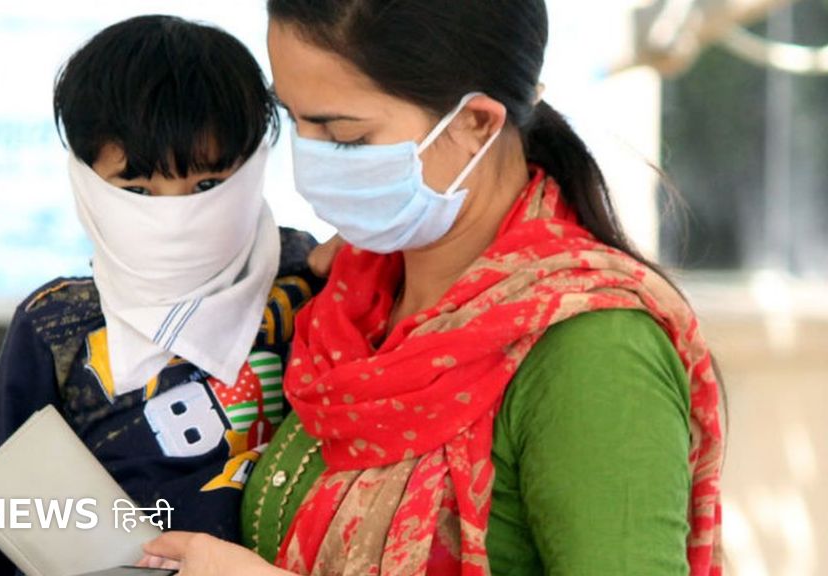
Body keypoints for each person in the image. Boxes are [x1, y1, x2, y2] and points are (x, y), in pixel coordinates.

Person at [137, 1, 725, 575]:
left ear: (476, 124)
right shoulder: (347, 298)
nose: (308, 160)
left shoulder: (593, 350)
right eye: (293, 119)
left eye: (343, 136)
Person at [0, 15, 322, 576]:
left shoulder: (314, 282)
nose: (177, 215)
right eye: (138, 190)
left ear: (253, 163)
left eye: (207, 186)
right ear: (87, 181)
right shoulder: (58, 324)